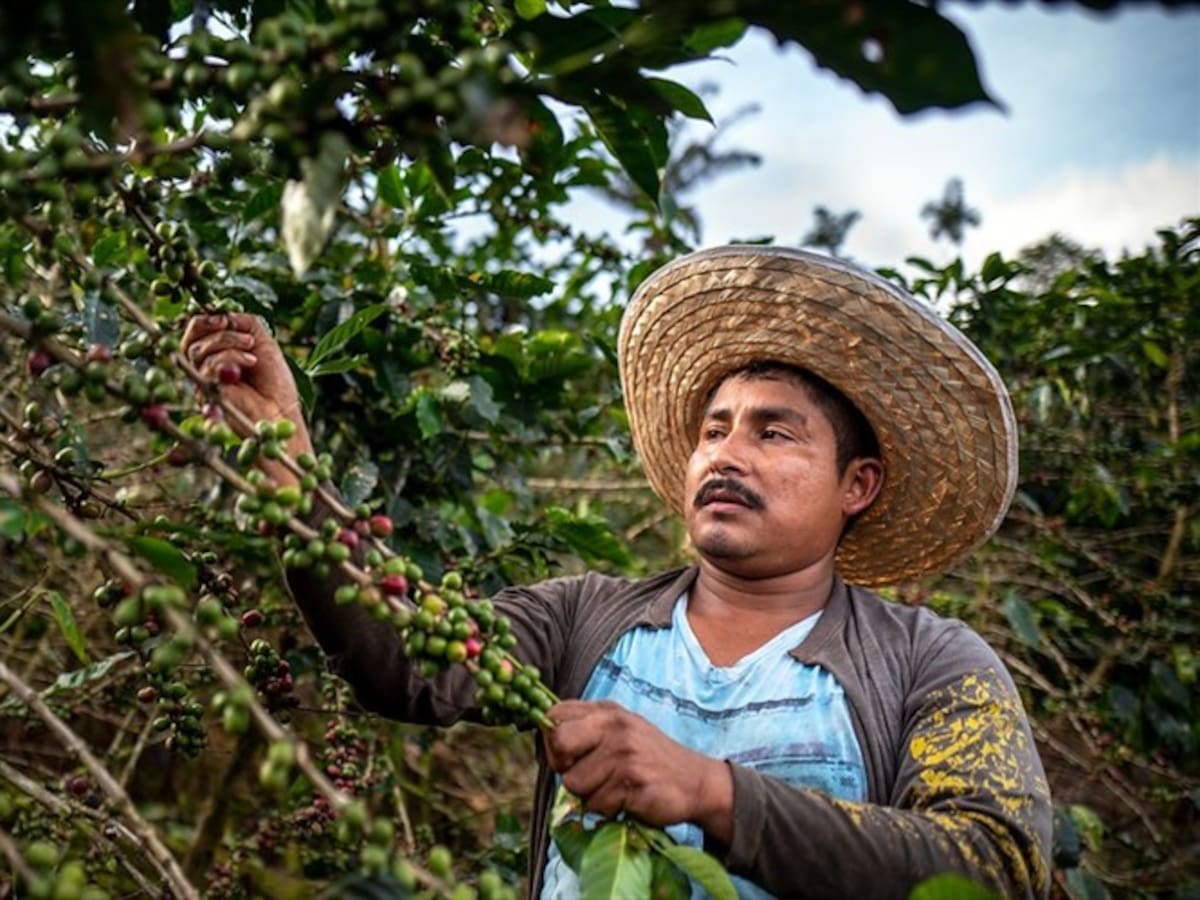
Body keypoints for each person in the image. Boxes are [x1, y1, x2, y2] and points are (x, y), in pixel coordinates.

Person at [182, 246, 1052, 899]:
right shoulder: (582, 622)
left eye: (774, 433)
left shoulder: (931, 663)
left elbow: (991, 865)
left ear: (856, 485)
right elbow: (403, 658)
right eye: (713, 429)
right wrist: (284, 458)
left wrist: (711, 792)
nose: (726, 454)